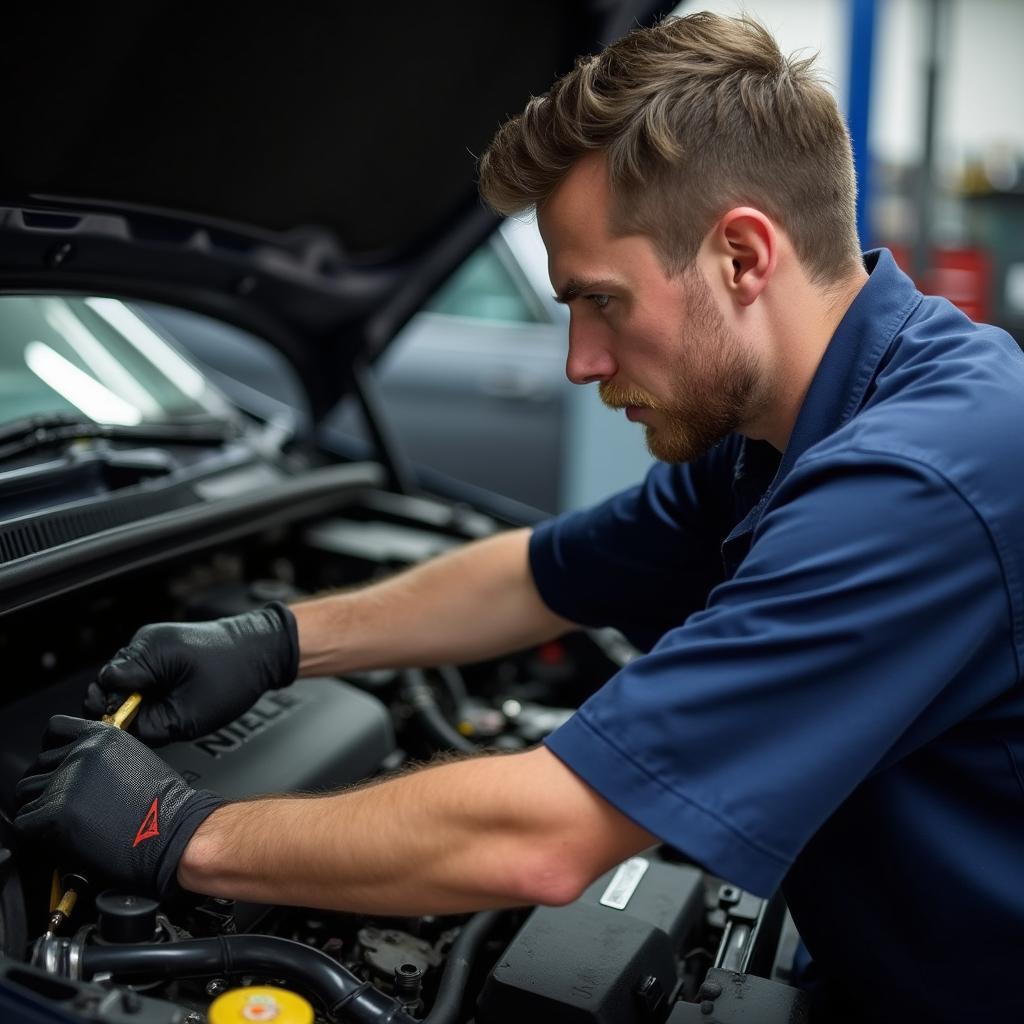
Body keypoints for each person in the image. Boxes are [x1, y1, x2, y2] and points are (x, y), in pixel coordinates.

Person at [15, 12, 1024, 1022]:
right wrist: (277, 639)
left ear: (743, 257)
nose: (581, 360)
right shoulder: (784, 428)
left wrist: (179, 828)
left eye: (601, 301)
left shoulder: (915, 480)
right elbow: (540, 573)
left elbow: (543, 838)